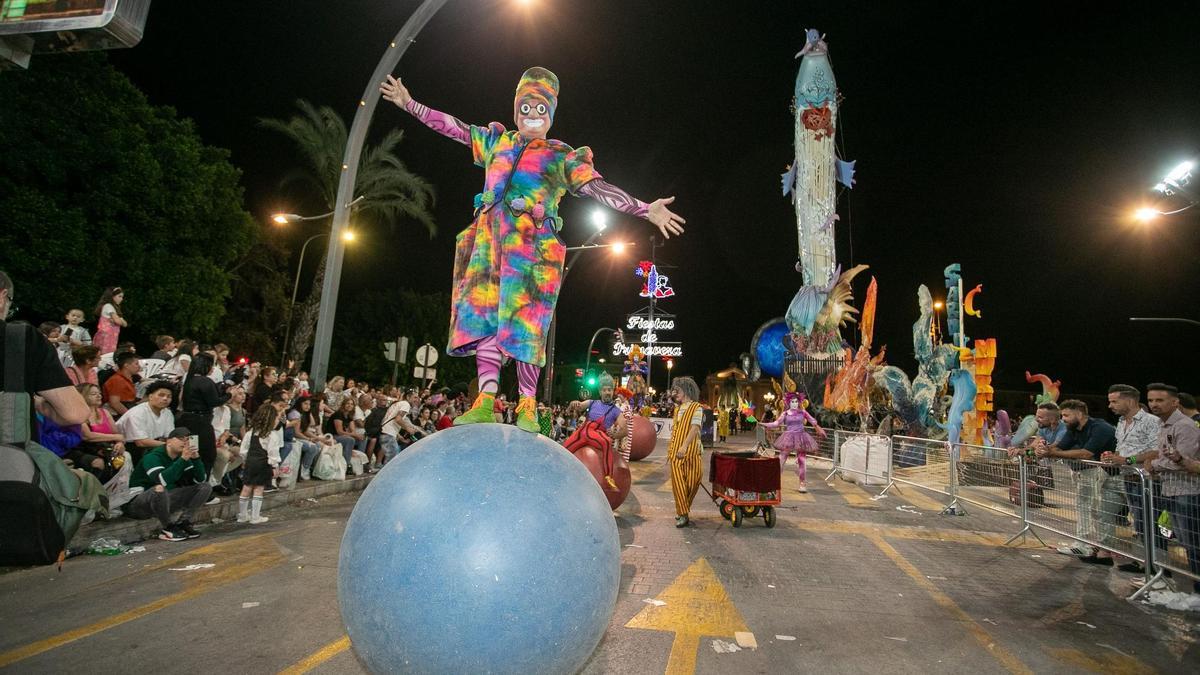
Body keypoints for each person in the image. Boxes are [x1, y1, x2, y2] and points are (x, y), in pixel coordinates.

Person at [381, 68, 685, 432]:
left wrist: (643, 208)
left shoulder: (559, 156)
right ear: (516, 110)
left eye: (541, 110)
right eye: (525, 108)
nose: (532, 116)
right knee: (485, 323)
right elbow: (456, 128)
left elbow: (597, 189)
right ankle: (486, 399)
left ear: (550, 115)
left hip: (531, 256)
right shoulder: (497, 143)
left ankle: (527, 404)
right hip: (488, 249)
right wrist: (409, 104)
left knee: (526, 328)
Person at [1034, 399, 1116, 564]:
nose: (1063, 419)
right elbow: (1059, 448)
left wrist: (1052, 453)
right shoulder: (1073, 428)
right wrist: (1050, 451)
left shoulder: (1100, 427)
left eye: (1066, 415)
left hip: (1110, 475)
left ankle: (1100, 549)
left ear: (1079, 413)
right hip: (1088, 473)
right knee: (1087, 508)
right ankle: (1089, 546)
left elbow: (1086, 453)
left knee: (1098, 511)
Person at [1144, 383, 1200, 594]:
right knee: (1187, 544)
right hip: (1172, 490)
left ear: (1175, 402)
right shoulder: (1164, 425)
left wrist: (1154, 465)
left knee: (1193, 545)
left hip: (1188, 491)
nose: (1154, 405)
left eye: (1160, 400)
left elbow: (1184, 461)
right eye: (1151, 400)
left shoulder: (1184, 426)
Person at [1099, 384, 1162, 572]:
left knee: (1148, 523)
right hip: (1127, 479)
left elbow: (1157, 451)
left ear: (1130, 400)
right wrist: (1113, 458)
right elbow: (1122, 448)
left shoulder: (1151, 421)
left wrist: (1127, 459)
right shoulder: (1120, 422)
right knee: (1139, 524)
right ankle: (1143, 563)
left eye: (1114, 401)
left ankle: (1155, 566)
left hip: (1147, 480)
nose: (1110, 405)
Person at [125, 427, 211, 541]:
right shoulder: (153, 456)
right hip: (139, 504)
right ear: (169, 441)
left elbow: (200, 480)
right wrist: (183, 459)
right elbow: (162, 480)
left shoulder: (182, 457)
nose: (185, 442)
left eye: (188, 439)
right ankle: (168, 527)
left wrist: (196, 458)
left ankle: (184, 523)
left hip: (164, 501)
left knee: (205, 487)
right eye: (181, 439)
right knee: (160, 488)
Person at [70, 383, 134, 512]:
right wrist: (116, 438)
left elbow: (117, 435)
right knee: (98, 463)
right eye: (93, 394)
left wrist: (120, 443)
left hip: (105, 448)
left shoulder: (105, 412)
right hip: (83, 448)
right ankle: (96, 499)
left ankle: (116, 497)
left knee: (125, 456)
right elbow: (88, 436)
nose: (99, 395)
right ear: (83, 396)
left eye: (99, 393)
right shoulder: (78, 413)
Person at [759, 391, 826, 493]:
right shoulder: (785, 413)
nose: (794, 403)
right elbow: (776, 423)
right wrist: (763, 424)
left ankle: (802, 483)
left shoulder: (803, 412)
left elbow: (813, 422)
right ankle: (774, 482)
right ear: (788, 403)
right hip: (788, 437)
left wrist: (819, 429)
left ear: (799, 402)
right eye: (792, 401)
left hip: (801, 437)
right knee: (781, 460)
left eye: (796, 401)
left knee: (802, 460)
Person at [177, 352, 228, 474]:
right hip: (201, 422)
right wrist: (229, 395)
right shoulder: (205, 381)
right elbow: (214, 401)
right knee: (208, 454)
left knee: (194, 451)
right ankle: (202, 482)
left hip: (188, 420)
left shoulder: (189, 380)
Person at [667, 377, 704, 527]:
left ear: (687, 391)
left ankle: (683, 508)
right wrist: (673, 448)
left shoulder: (697, 407)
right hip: (675, 452)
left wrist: (684, 446)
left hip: (692, 450)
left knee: (695, 480)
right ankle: (683, 513)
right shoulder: (677, 409)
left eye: (678, 390)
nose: (675, 393)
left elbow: (695, 428)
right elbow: (675, 430)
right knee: (678, 484)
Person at [238, 404, 282, 524]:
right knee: (258, 489)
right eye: (277, 418)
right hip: (263, 464)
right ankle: (255, 517)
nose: (278, 421)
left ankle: (242, 515)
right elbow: (273, 453)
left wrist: (245, 461)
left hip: (250, 463)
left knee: (246, 487)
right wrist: (275, 466)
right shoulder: (271, 435)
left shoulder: (251, 433)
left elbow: (243, 450)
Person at [115, 381, 177, 465]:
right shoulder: (137, 412)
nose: (165, 398)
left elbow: (168, 436)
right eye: (161, 395)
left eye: (169, 396)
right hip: (129, 447)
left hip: (154, 445)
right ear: (150, 396)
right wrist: (170, 445)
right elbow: (141, 442)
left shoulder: (167, 413)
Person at [211, 385, 247, 491]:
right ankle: (215, 483)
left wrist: (225, 437)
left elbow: (226, 429)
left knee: (243, 453)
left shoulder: (226, 409)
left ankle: (218, 477)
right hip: (213, 441)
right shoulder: (213, 409)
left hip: (225, 441)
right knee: (225, 455)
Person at [286, 396, 323, 480]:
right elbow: (296, 433)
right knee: (312, 447)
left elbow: (307, 429)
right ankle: (304, 469)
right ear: (299, 404)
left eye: (309, 404)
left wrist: (317, 438)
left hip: (300, 437)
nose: (308, 406)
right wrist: (309, 439)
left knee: (318, 446)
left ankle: (309, 468)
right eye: (305, 404)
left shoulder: (303, 414)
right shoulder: (295, 414)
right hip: (293, 438)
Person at [325, 396, 364, 466]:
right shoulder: (338, 414)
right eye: (347, 403)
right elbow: (339, 431)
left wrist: (357, 435)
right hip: (333, 436)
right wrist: (354, 435)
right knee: (350, 440)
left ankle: (360, 462)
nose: (350, 405)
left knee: (363, 438)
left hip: (342, 436)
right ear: (343, 405)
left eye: (352, 404)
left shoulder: (349, 416)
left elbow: (353, 431)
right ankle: (346, 464)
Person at [101, 350, 140, 417]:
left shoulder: (128, 378)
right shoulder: (117, 380)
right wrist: (130, 417)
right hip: (120, 414)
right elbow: (114, 403)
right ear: (126, 365)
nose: (139, 366)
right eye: (136, 364)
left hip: (130, 406)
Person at [92, 287, 127, 356]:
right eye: (119, 296)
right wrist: (120, 320)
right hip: (106, 335)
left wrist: (120, 321)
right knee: (105, 354)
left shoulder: (114, 308)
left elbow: (125, 324)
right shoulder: (108, 306)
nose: (121, 299)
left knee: (108, 354)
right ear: (112, 296)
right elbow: (119, 321)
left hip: (111, 336)